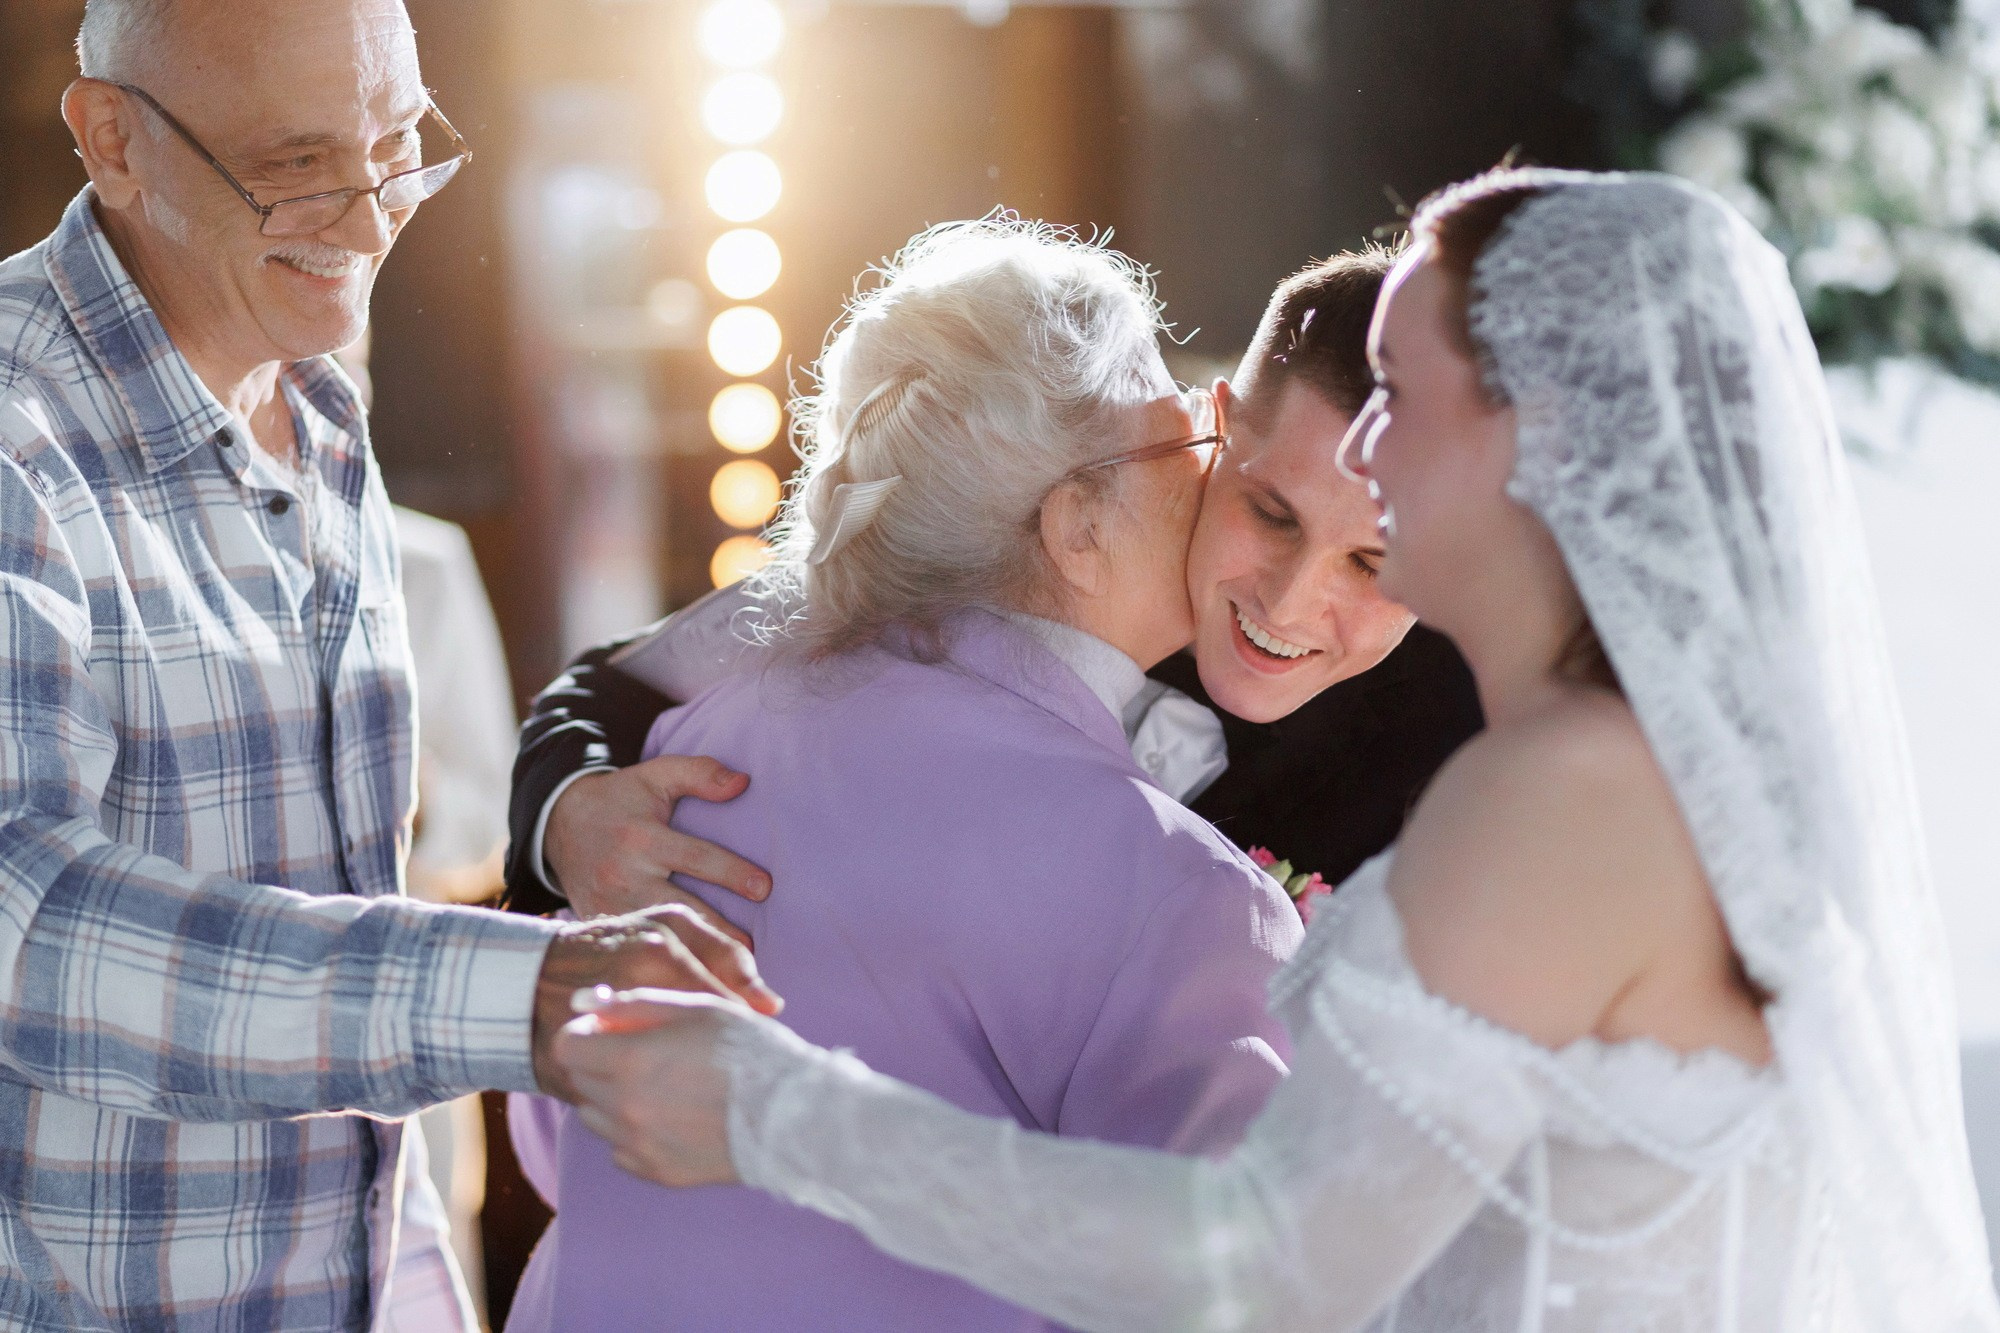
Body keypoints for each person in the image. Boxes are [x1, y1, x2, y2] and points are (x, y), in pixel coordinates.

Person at [553, 169, 2000, 1329]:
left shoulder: (1557, 787)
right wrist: (565, 807)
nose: (1359, 451)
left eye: (1397, 400)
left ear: (1530, 448)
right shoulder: (1585, 757)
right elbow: (623, 686)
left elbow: (1256, 1270)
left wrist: (777, 1108)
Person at [0, 1, 771, 1326]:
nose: (368, 226)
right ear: (111, 140)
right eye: (298, 167)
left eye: (400, 146)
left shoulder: (319, 407)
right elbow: (28, 921)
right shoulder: (19, 432)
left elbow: (346, 1032)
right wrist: (513, 989)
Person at [504, 220, 1303, 1331]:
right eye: (1166, 397)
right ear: (1075, 525)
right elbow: (1236, 1275)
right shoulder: (1164, 886)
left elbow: (557, 1137)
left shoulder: (674, 776)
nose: (1210, 430)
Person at [502, 247, 1482, 929]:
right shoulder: (1020, 549)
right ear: (1217, 425)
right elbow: (611, 687)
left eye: (1372, 563)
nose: (1288, 598)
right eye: (1270, 514)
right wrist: (574, 815)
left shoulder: (1465, 729)